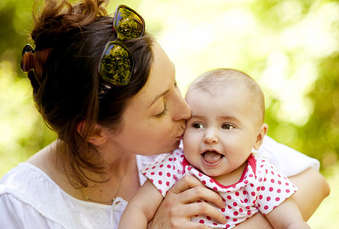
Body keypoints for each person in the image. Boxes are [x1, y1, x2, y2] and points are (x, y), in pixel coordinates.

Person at [0, 0, 329, 229]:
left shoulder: (199, 141)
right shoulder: (20, 209)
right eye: (160, 108)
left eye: (175, 84)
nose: (186, 110)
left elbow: (315, 183)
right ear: (95, 131)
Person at [118, 69, 311, 229]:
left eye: (227, 126)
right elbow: (138, 209)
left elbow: (292, 222)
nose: (209, 137)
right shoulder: (175, 166)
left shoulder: (260, 175)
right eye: (197, 125)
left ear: (258, 137)